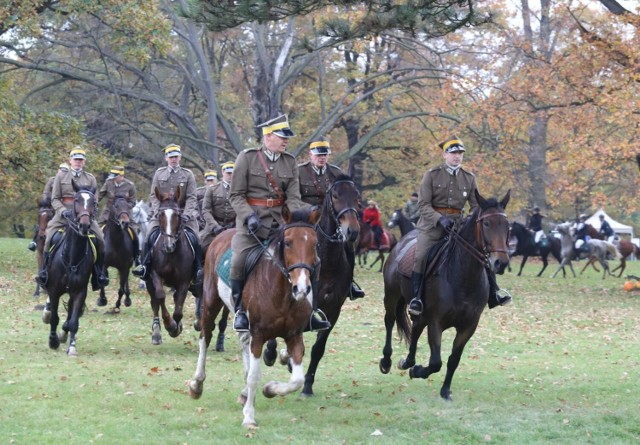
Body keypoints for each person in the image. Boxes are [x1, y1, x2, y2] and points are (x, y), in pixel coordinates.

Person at [229, 114, 330, 332]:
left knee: (315, 261)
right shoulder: (246, 158)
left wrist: (303, 215)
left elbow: (293, 197)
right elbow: (235, 195)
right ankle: (240, 312)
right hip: (252, 225)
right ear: (267, 137)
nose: (286, 141)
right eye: (281, 137)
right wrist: (248, 216)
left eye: (287, 138)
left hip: (280, 224)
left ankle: (311, 312)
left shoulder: (290, 161)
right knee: (239, 260)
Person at [408, 135, 511, 316]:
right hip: (432, 226)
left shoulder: (469, 178)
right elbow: (423, 205)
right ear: (445, 155)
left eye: (460, 153)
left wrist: (475, 219)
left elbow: (475, 206)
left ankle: (494, 292)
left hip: (458, 226)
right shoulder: (431, 175)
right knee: (421, 254)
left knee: (482, 253)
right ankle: (416, 298)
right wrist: (439, 219)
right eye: (453, 153)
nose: (457, 157)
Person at [297, 136, 365, 300]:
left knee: (349, 242)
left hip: (331, 217)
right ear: (310, 154)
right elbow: (293, 196)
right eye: (318, 155)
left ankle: (349, 282)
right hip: (307, 216)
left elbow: (346, 196)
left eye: (324, 155)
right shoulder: (299, 172)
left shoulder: (336, 172)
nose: (322, 158)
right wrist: (309, 209)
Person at [36, 148, 109, 291]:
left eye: (80, 160)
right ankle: (44, 272)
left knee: (100, 239)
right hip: (63, 216)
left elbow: (94, 201)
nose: (78, 162)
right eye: (75, 159)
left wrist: (89, 215)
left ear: (84, 162)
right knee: (49, 238)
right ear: (70, 161)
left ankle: (98, 275)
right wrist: (63, 211)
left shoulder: (90, 178)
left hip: (83, 215)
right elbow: (55, 198)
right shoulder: (61, 177)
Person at [132, 144, 203, 285]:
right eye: (171, 157)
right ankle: (144, 266)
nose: (174, 160)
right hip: (162, 213)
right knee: (148, 237)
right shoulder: (159, 174)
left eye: (176, 157)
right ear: (166, 158)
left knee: (196, 239)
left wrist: (187, 215)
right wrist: (159, 212)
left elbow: (192, 197)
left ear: (180, 158)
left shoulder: (188, 175)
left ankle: (198, 269)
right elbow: (153, 195)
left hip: (182, 214)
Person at [97, 165, 139, 263]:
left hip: (125, 213)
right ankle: (97, 258)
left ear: (121, 176)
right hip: (108, 213)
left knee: (134, 232)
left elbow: (133, 202)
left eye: (115, 176)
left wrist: (123, 208)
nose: (113, 178)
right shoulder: (108, 183)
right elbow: (100, 196)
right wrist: (93, 203)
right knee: (97, 232)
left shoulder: (130, 185)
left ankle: (136, 257)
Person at [28, 163, 68, 252]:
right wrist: (48, 200)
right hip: (50, 204)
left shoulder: (68, 182)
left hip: (62, 205)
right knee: (42, 217)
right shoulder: (52, 180)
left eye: (65, 171)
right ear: (58, 170)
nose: (62, 173)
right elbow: (46, 192)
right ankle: (34, 241)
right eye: (61, 170)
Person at [199, 161, 236, 253]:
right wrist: (214, 226)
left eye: (233, 173)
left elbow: (241, 209)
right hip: (215, 226)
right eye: (228, 173)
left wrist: (236, 225)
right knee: (200, 244)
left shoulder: (239, 190)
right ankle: (198, 266)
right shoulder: (212, 189)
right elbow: (206, 210)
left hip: (234, 226)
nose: (230, 175)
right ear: (223, 172)